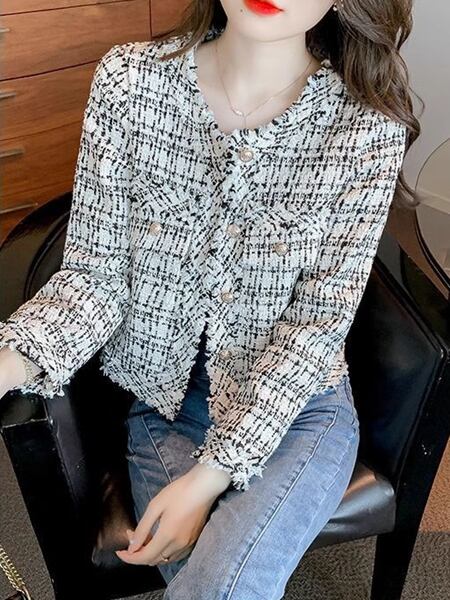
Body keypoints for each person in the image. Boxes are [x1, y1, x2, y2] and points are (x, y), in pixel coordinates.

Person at [0, 1, 420, 598]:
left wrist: (210, 475)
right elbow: (94, 276)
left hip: (297, 408)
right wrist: (12, 361)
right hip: (168, 408)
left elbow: (317, 324)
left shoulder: (364, 125)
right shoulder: (130, 82)